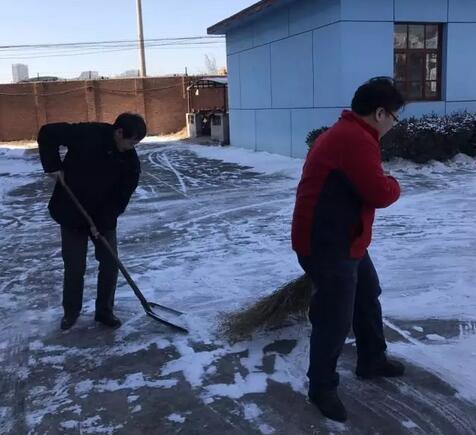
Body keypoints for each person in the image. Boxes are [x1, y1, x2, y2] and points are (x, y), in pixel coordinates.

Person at [291, 77, 405, 422]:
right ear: (380, 113)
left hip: (344, 239)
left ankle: (372, 359)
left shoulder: (349, 132)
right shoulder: (354, 139)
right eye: (394, 117)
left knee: (367, 294)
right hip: (326, 244)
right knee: (334, 318)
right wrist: (394, 184)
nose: (394, 124)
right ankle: (321, 388)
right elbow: (380, 193)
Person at [38, 113, 147, 331]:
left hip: (103, 216)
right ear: (119, 132)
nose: (132, 147)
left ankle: (104, 311)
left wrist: (103, 222)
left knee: (110, 264)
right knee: (75, 266)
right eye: (131, 142)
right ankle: (71, 312)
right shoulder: (88, 134)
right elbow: (47, 133)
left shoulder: (130, 163)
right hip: (72, 210)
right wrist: (53, 165)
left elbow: (121, 198)